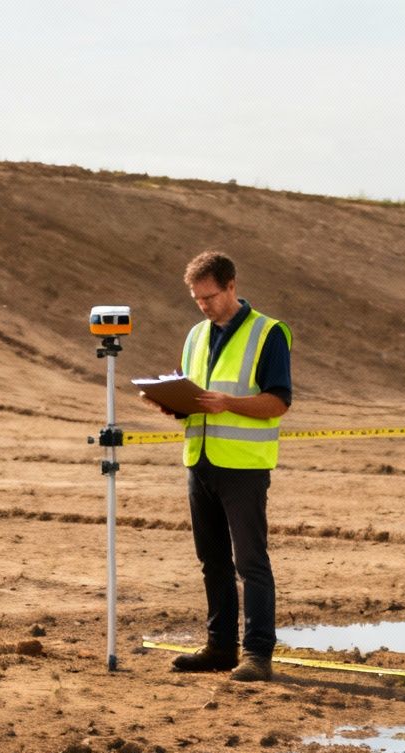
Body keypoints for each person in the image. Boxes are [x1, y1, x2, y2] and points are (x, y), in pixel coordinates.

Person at [146, 250, 292, 683]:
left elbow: (278, 402)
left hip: (244, 468)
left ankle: (258, 654)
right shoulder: (195, 335)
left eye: (209, 296)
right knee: (212, 561)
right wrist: (169, 403)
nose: (204, 305)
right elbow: (192, 392)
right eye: (197, 299)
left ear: (231, 286)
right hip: (200, 461)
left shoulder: (269, 334)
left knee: (251, 563)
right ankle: (220, 647)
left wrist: (229, 403)